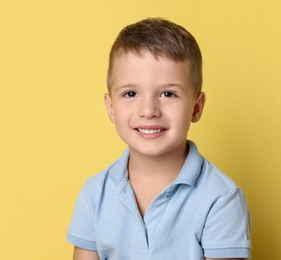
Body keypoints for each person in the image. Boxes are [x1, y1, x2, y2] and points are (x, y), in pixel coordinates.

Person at [67, 18, 251, 260]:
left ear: (196, 108)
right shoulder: (94, 195)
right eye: (130, 93)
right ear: (111, 107)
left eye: (168, 93)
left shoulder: (221, 199)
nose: (149, 110)